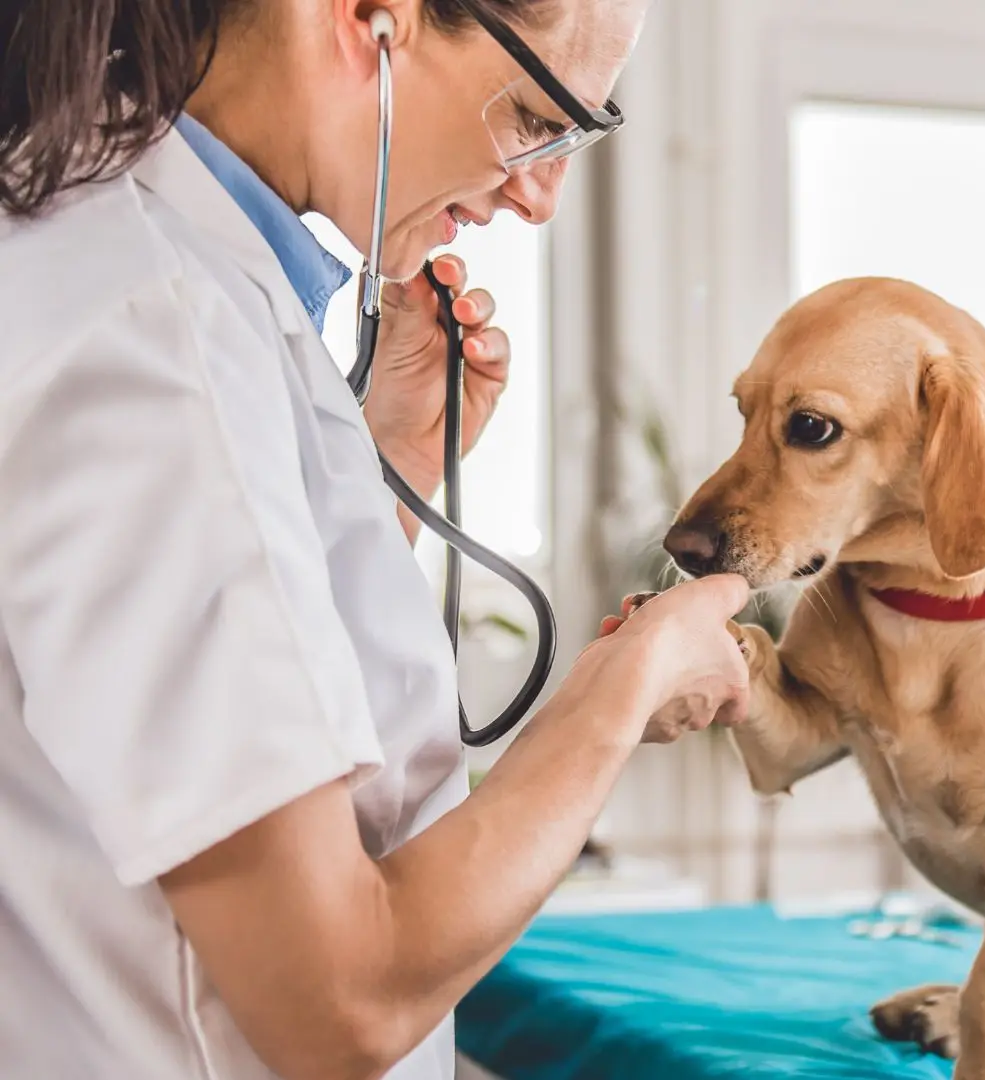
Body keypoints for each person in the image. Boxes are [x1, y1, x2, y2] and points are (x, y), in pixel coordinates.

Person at [0, 2, 750, 1078]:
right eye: (538, 117)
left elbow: (190, 682)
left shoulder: (154, 270)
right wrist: (623, 687)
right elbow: (337, 999)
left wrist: (385, 471)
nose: (539, 195)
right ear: (371, 20)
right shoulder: (153, 336)